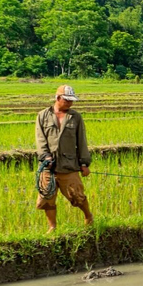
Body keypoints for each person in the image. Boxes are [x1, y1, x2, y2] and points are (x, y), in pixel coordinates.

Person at [35, 85, 93, 232]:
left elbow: (82, 141)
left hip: (69, 165)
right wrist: (45, 156)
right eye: (67, 100)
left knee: (77, 196)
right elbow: (40, 139)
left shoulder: (76, 117)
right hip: (48, 166)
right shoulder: (43, 116)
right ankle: (52, 227)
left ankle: (88, 216)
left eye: (71, 101)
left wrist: (84, 163)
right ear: (58, 98)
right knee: (47, 198)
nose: (69, 103)